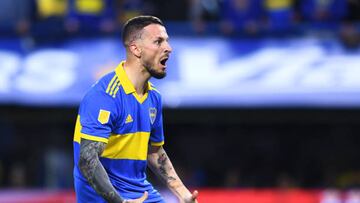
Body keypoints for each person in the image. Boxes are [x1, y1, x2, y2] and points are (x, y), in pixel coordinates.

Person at [72, 15, 199, 203]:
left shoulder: (154, 97)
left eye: (167, 41)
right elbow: (87, 161)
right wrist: (120, 202)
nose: (168, 48)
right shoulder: (105, 95)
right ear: (135, 49)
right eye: (158, 41)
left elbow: (154, 151)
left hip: (141, 194)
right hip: (105, 198)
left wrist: (182, 193)